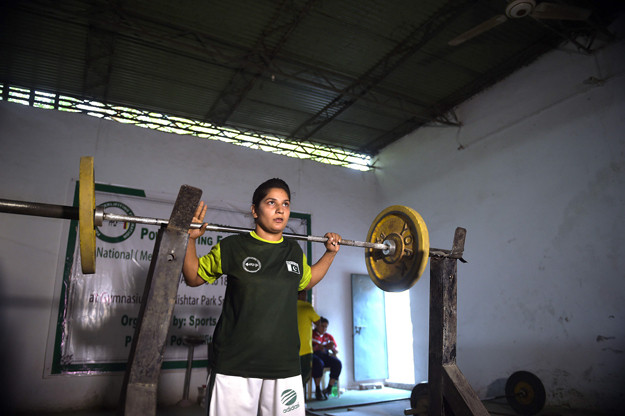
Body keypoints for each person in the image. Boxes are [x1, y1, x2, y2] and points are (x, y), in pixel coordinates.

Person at [182, 178, 342, 415]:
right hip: (234, 365)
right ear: (254, 210)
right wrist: (190, 239)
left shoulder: (293, 251)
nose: (280, 210)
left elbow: (305, 280)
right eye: (271, 202)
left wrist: (330, 254)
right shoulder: (233, 247)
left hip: (284, 365)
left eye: (286, 204)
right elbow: (193, 277)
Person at [297, 290, 321, 399]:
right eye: (305, 294)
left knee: (291, 377)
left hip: (290, 350)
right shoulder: (306, 307)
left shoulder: (287, 306)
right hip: (305, 350)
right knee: (304, 376)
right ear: (301, 295)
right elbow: (318, 322)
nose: (306, 296)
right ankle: (300, 402)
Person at [312, 317, 342, 400]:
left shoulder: (328, 336)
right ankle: (318, 390)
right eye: (322, 326)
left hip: (325, 355)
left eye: (326, 327)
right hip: (315, 356)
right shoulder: (311, 334)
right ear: (317, 325)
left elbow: (336, 349)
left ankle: (329, 389)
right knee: (318, 363)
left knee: (337, 363)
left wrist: (334, 350)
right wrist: (317, 347)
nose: (324, 328)